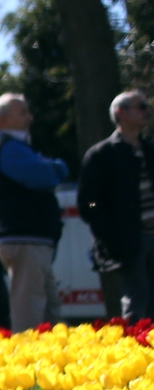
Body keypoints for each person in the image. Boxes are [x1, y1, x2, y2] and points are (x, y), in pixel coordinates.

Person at [0, 95, 58, 330]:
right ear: (3, 120)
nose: (30, 118)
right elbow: (45, 175)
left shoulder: (16, 147)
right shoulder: (9, 149)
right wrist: (57, 167)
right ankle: (27, 360)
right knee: (30, 310)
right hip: (24, 238)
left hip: (29, 238)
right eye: (22, 113)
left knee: (48, 307)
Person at [78, 90, 153, 321]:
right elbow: (89, 201)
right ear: (121, 112)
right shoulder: (102, 155)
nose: (146, 110)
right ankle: (134, 349)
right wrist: (111, 235)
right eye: (140, 106)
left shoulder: (150, 150)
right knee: (138, 295)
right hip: (131, 239)